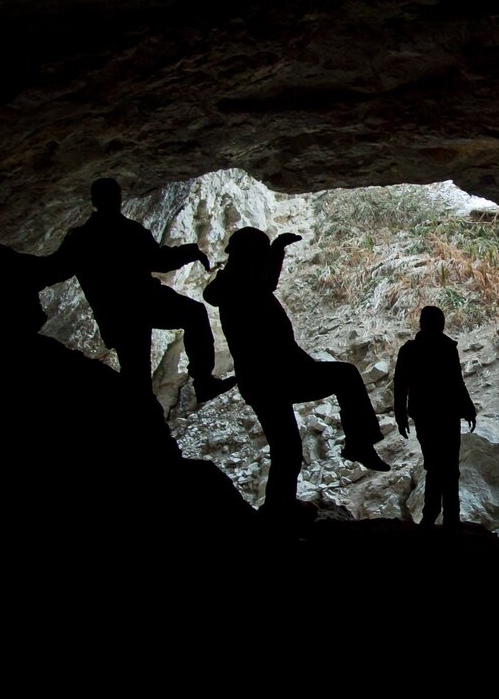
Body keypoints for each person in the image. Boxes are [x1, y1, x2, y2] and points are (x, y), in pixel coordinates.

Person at [203, 227, 389, 519]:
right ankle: (358, 444)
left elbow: (265, 282)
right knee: (346, 377)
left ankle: (280, 506)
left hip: (262, 379)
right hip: (277, 375)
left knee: (286, 448)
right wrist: (276, 251)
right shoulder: (241, 284)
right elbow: (264, 282)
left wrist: (276, 250)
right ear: (251, 256)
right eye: (260, 255)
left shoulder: (235, 283)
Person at [42, 178, 234, 406]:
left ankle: (154, 416)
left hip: (118, 314)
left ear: (94, 201)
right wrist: (190, 252)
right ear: (119, 198)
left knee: (137, 375)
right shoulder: (129, 231)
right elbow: (160, 261)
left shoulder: (81, 238)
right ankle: (201, 383)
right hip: (145, 302)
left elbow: (54, 270)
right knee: (193, 315)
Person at [393, 306, 476, 529]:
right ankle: (449, 519)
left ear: (421, 323)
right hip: (447, 414)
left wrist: (400, 415)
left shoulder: (410, 350)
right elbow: (456, 382)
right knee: (448, 467)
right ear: (441, 324)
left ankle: (432, 517)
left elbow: (400, 386)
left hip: (425, 415)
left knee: (435, 465)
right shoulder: (447, 348)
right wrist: (468, 408)